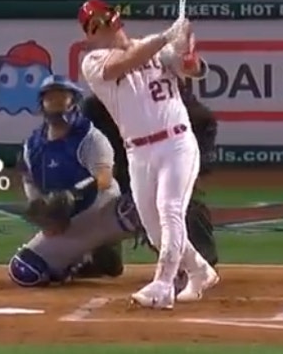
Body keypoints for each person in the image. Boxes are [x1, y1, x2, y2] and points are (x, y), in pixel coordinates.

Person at [77, 0, 218, 310]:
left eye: (102, 18)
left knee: (170, 211)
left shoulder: (154, 49)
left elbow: (191, 69)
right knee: (154, 230)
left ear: (115, 17)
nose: (99, 26)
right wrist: (168, 36)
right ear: (88, 35)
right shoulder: (94, 62)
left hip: (176, 143)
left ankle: (163, 285)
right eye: (91, 25)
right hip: (138, 152)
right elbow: (122, 64)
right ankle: (199, 271)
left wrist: (186, 51)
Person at [6, 76, 148, 288]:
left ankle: (179, 264)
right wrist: (46, 216)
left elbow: (104, 177)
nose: (57, 105)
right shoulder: (32, 146)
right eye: (51, 99)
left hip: (102, 208)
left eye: (63, 99)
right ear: (42, 104)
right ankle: (81, 258)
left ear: (74, 102)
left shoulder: (90, 137)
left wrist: (74, 194)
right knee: (26, 270)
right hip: (68, 224)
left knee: (143, 209)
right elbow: (31, 184)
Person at [82, 77, 219, 269]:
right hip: (119, 162)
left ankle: (199, 260)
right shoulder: (96, 106)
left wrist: (191, 165)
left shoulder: (160, 90)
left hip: (164, 157)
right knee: (93, 197)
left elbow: (203, 119)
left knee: (178, 203)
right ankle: (100, 257)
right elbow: (83, 144)